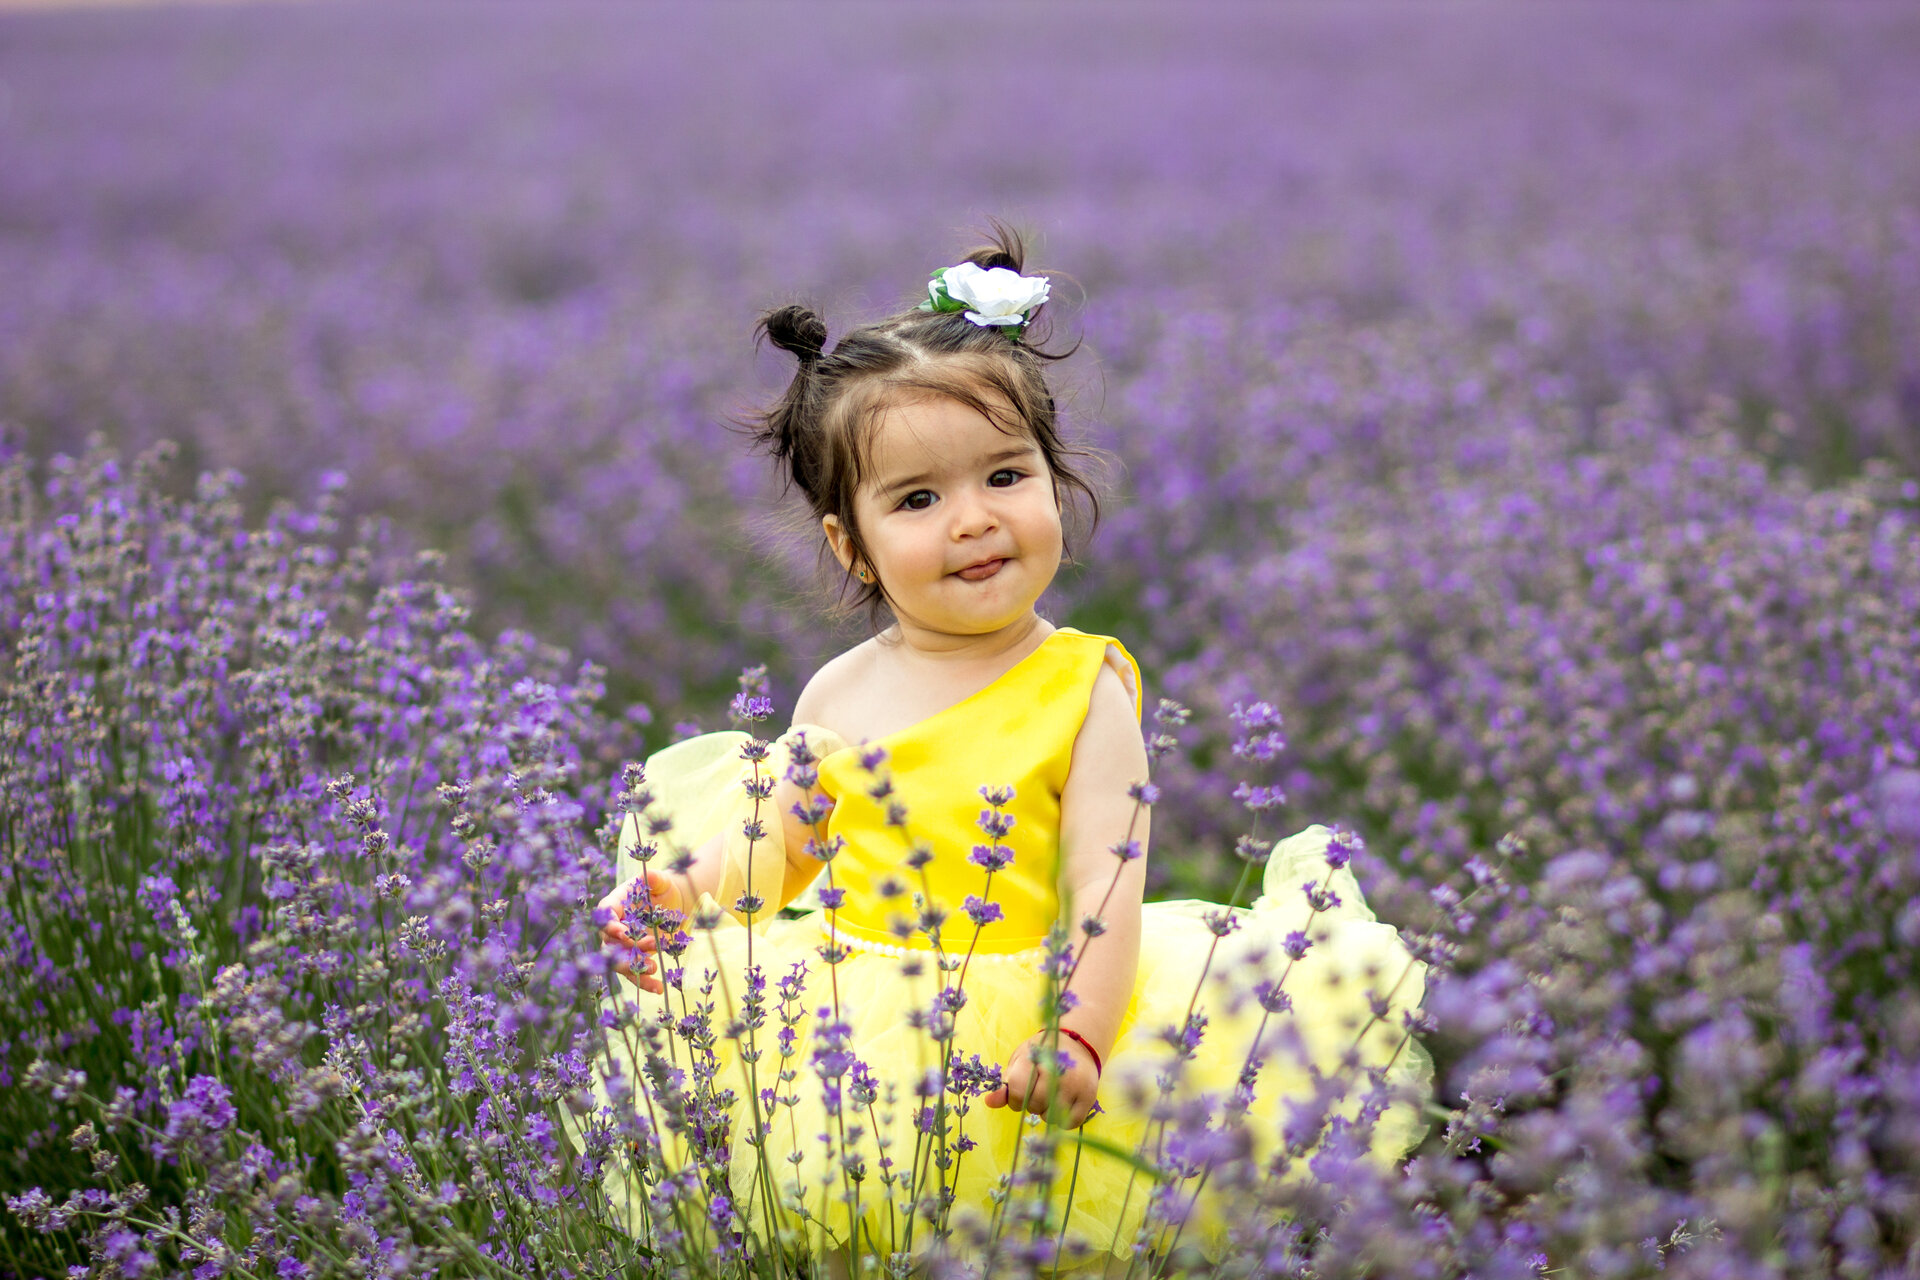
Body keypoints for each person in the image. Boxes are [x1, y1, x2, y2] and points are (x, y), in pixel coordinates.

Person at [577, 228, 1431, 1273]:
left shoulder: (1086, 688)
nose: (974, 519)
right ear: (852, 544)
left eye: (1005, 474)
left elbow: (1103, 889)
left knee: (1041, 1232)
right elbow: (788, 848)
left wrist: (1079, 1035)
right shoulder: (838, 692)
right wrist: (689, 888)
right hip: (855, 1027)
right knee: (861, 1223)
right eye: (918, 499)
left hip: (1033, 1018)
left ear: (1055, 483)